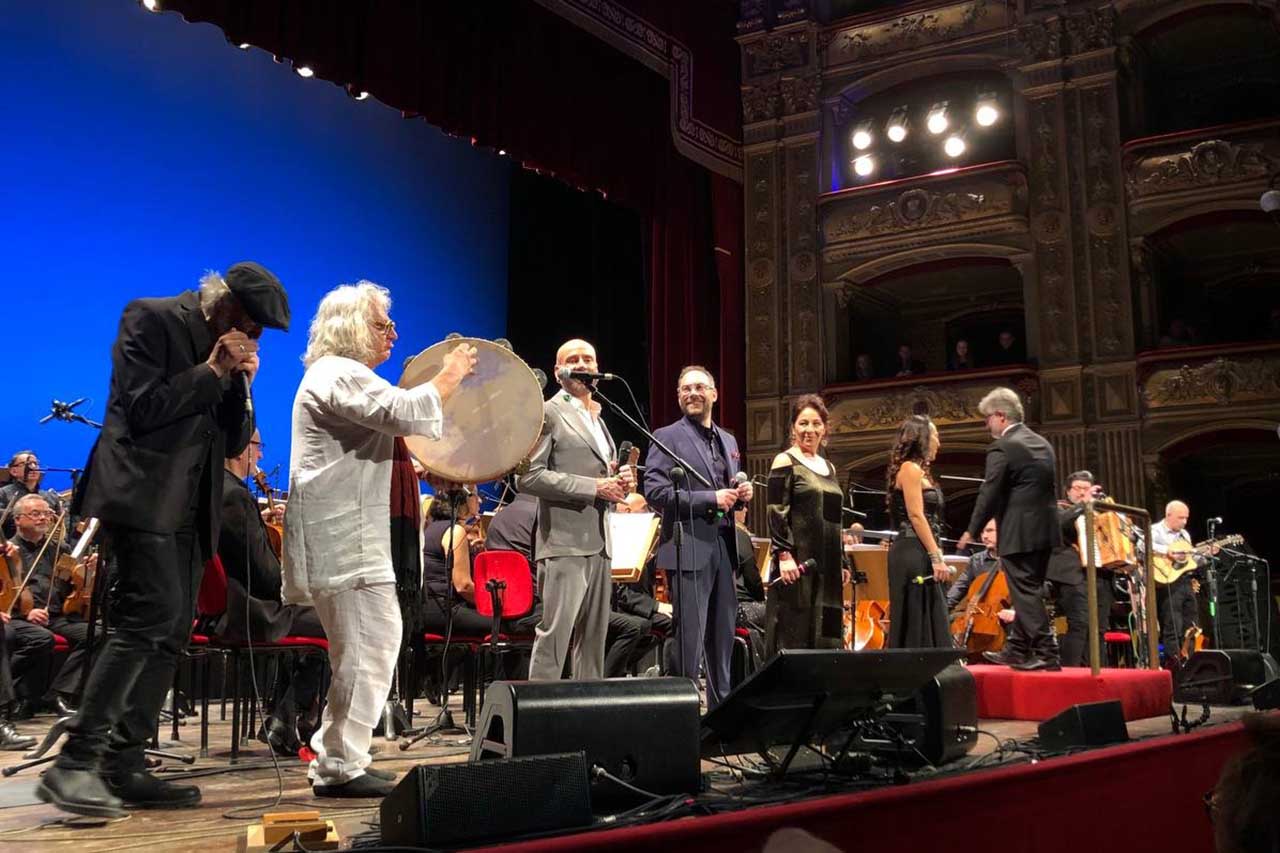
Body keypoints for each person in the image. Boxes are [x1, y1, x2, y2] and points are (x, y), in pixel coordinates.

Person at [39, 262, 287, 819]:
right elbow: (142, 408)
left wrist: (244, 384)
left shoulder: (231, 358)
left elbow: (235, 439)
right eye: (249, 323)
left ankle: (123, 764)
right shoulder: (149, 318)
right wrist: (212, 368)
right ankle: (75, 762)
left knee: (172, 630)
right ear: (222, 304)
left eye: (259, 332)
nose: (253, 337)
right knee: (147, 618)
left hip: (190, 510)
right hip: (141, 495)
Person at [282, 281, 474, 798]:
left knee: (373, 645)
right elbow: (404, 411)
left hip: (355, 537)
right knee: (366, 648)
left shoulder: (344, 376)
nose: (393, 333)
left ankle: (341, 758)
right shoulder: (336, 373)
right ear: (350, 328)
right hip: (343, 538)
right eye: (382, 324)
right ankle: (338, 764)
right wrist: (451, 373)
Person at [517, 339, 629, 682]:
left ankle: (586, 720)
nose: (582, 363)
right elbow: (528, 477)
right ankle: (539, 724)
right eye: (573, 359)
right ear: (558, 371)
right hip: (564, 542)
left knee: (593, 642)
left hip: (600, 542)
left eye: (588, 358)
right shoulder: (548, 412)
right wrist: (594, 487)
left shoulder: (598, 416)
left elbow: (599, 474)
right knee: (555, 638)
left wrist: (619, 478)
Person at [643, 365, 751, 709]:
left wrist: (740, 492)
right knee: (689, 639)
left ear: (714, 394)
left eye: (700, 387)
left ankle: (720, 716)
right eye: (686, 388)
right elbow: (655, 492)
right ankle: (683, 713)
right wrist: (711, 498)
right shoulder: (667, 436)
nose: (692, 393)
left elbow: (727, 488)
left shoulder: (729, 440)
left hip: (723, 545)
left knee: (722, 638)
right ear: (678, 396)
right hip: (687, 546)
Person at [217, 430, 326, 756]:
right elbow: (263, 575)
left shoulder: (221, 491)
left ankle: (288, 718)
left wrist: (261, 527)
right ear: (241, 450)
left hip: (236, 605)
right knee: (338, 625)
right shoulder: (234, 497)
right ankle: (286, 718)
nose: (261, 456)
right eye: (257, 447)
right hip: (248, 610)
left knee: (320, 624)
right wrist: (297, 583)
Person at [957, 387, 1061, 671]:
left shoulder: (1003, 446)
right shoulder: (1042, 443)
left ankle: (1047, 651)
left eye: (987, 418)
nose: (986, 424)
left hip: (1019, 531)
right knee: (1029, 589)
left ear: (1001, 416)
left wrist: (972, 528)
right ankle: (1016, 649)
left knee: (1024, 592)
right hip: (1046, 531)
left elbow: (989, 491)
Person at [765, 395, 849, 654]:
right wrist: (784, 554)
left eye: (815, 423)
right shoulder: (785, 461)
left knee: (827, 635)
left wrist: (843, 561)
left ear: (824, 428)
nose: (809, 430)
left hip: (829, 565)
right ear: (793, 428)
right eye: (803, 423)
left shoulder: (830, 467)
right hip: (798, 562)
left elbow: (837, 518)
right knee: (796, 632)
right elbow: (776, 510)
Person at [3, 494, 99, 717]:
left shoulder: (61, 548)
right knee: (40, 638)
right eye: (35, 514)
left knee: (99, 634)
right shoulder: (8, 551)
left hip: (56, 616)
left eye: (46, 513)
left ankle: (58, 693)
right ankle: (11, 691)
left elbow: (73, 580)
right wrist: (26, 612)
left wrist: (89, 568)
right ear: (17, 520)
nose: (43, 518)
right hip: (18, 617)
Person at [885, 415, 953, 648]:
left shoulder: (919, 471)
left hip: (921, 549)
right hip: (912, 551)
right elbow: (916, 515)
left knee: (928, 613)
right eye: (935, 436)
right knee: (916, 617)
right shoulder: (909, 469)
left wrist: (935, 553)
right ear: (922, 438)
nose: (938, 443)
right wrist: (936, 557)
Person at [1048, 471, 1111, 666]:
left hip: (1102, 575)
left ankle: (1099, 675)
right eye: (1078, 489)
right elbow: (1062, 525)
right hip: (1073, 575)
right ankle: (1073, 674)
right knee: (1080, 624)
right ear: (1068, 491)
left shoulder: (1102, 512)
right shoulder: (1058, 508)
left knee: (1099, 629)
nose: (1082, 493)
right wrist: (1086, 503)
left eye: (1086, 489)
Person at [1152, 500, 1206, 663]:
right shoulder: (1155, 530)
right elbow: (1142, 545)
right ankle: (1175, 665)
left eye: (1186, 518)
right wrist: (1168, 551)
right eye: (1180, 518)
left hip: (1185, 581)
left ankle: (1189, 662)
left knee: (1191, 625)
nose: (1184, 522)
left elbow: (1189, 560)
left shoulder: (1185, 535)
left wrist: (1204, 554)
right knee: (1173, 625)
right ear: (1168, 515)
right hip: (1166, 581)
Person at [0, 451, 66, 541]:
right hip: (10, 545)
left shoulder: (50, 497)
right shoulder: (3, 493)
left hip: (45, 548)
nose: (33, 467)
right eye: (25, 464)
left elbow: (60, 526)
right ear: (13, 471)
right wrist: (26, 513)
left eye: (35, 464)